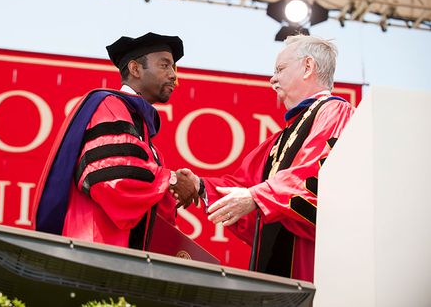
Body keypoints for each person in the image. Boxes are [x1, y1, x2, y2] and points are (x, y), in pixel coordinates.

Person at [176, 34, 354, 282]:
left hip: (310, 263)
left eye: (280, 69)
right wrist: (199, 185)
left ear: (308, 67)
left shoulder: (336, 112)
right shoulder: (279, 141)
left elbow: (313, 176)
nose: (273, 79)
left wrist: (257, 197)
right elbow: (244, 186)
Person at [32, 32, 200, 250]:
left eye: (174, 68)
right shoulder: (110, 105)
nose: (173, 76)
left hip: (122, 254)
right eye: (165, 65)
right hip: (94, 246)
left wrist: (170, 189)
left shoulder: (142, 130)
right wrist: (172, 180)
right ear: (135, 69)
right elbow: (115, 177)